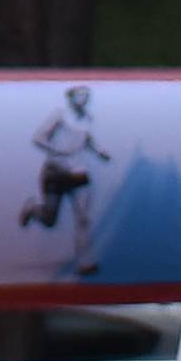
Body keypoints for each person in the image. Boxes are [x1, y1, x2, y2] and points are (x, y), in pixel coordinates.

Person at [20, 85, 112, 277]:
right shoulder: (60, 115)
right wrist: (58, 150)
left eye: (86, 95)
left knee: (83, 219)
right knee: (50, 219)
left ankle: (85, 262)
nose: (84, 98)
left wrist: (99, 151)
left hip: (78, 172)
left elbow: (87, 139)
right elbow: (38, 137)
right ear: (71, 97)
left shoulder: (88, 118)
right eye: (80, 95)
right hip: (56, 172)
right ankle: (33, 208)